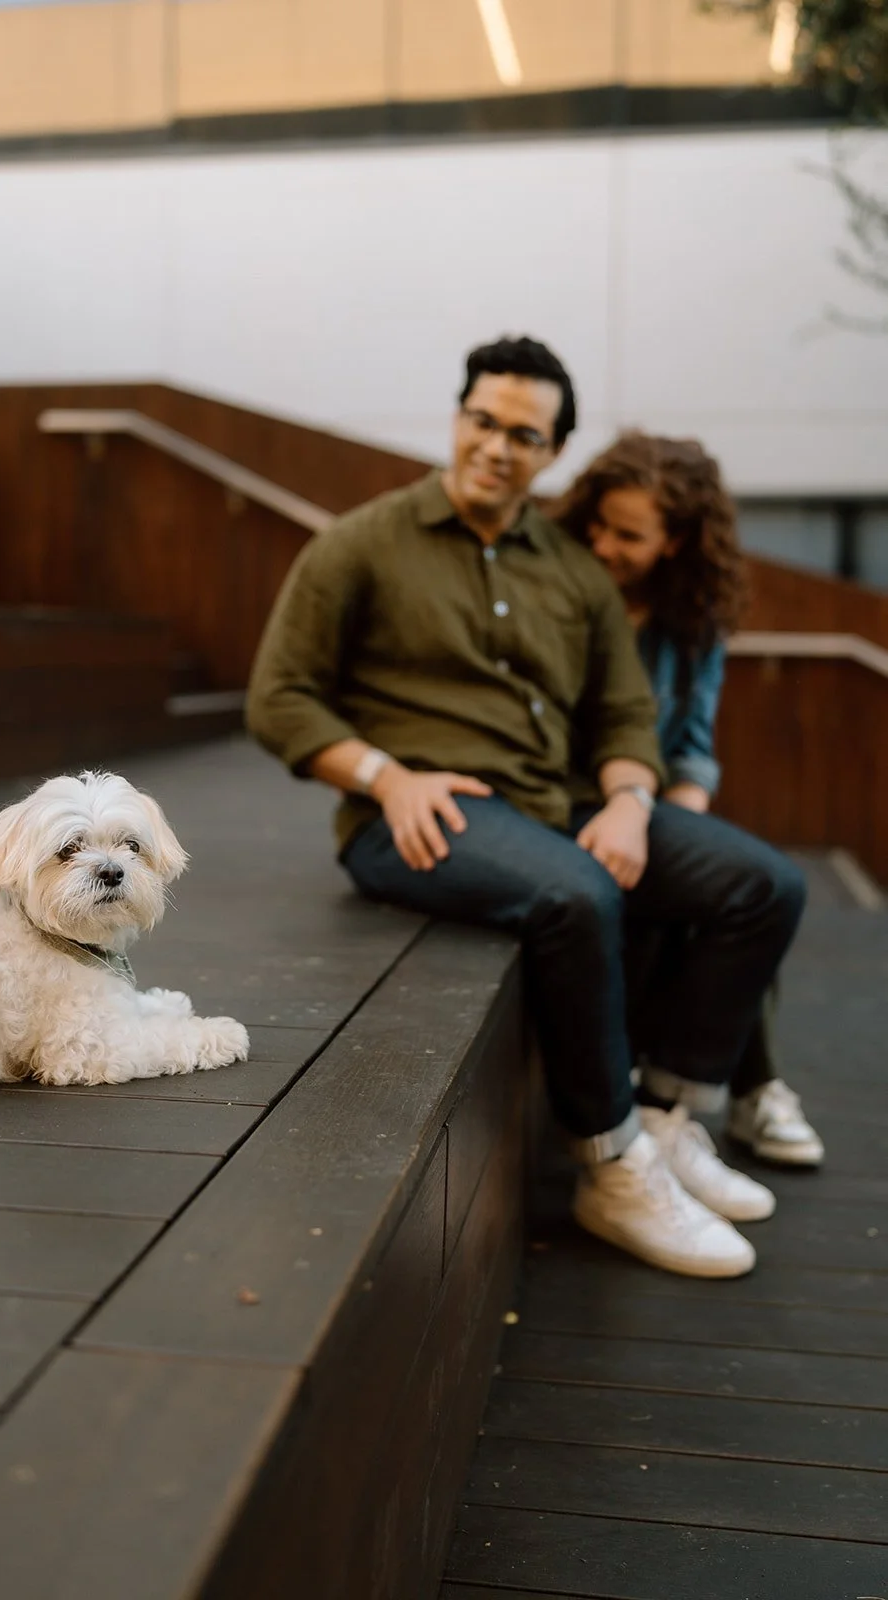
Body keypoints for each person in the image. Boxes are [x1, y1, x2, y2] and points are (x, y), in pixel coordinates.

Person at [246, 335, 806, 1280]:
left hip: (553, 806)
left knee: (762, 885)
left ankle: (664, 1120)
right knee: (579, 894)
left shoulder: (572, 570)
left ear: (553, 453)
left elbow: (625, 711)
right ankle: (611, 1167)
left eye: (524, 435)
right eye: (483, 421)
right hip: (414, 816)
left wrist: (628, 800)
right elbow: (279, 698)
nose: (496, 446)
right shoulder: (360, 544)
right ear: (458, 417)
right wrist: (387, 776)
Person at [548, 431, 824, 1168]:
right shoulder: (558, 584)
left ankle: (676, 1108)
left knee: (731, 879)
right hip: (570, 801)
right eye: (597, 525)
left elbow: (693, 745)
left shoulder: (693, 617)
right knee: (736, 883)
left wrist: (673, 826)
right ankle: (747, 1087)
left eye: (628, 536)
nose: (602, 545)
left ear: (675, 542)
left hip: (643, 805)